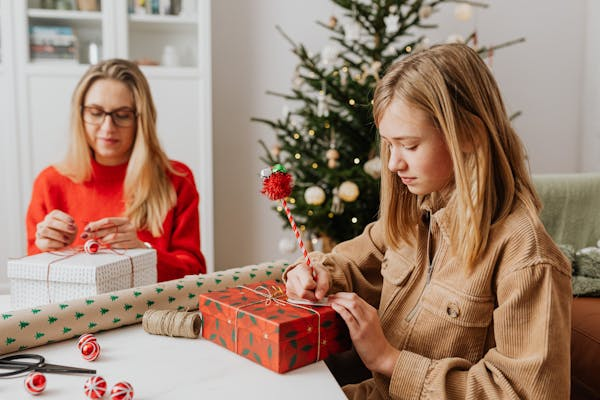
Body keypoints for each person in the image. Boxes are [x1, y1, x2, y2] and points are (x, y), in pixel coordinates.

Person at [285, 43, 571, 399]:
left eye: (409, 145)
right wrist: (314, 273)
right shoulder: (415, 217)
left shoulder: (527, 259)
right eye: (389, 145)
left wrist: (390, 361)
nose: (393, 164)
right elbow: (347, 263)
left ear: (467, 135)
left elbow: (527, 393)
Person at [26, 58, 206, 281]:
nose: (108, 127)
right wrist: (45, 252)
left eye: (122, 115)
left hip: (153, 314)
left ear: (141, 119)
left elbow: (195, 273)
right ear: (80, 114)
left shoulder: (177, 179)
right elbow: (32, 276)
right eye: (95, 112)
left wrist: (143, 253)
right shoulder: (50, 182)